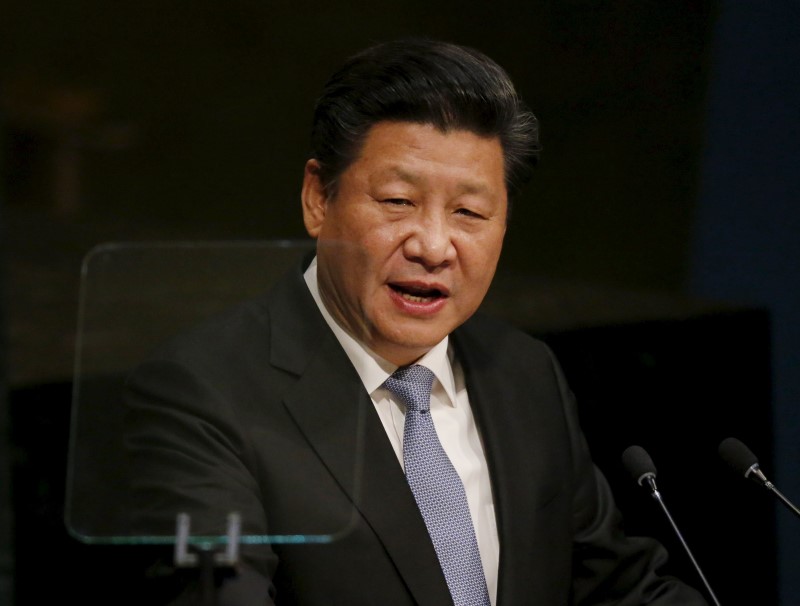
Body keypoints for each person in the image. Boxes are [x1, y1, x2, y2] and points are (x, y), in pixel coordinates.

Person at [124, 39, 708, 605]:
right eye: (398, 201)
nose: (433, 247)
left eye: (469, 213)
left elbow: (617, 588)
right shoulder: (201, 391)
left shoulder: (524, 374)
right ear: (317, 199)